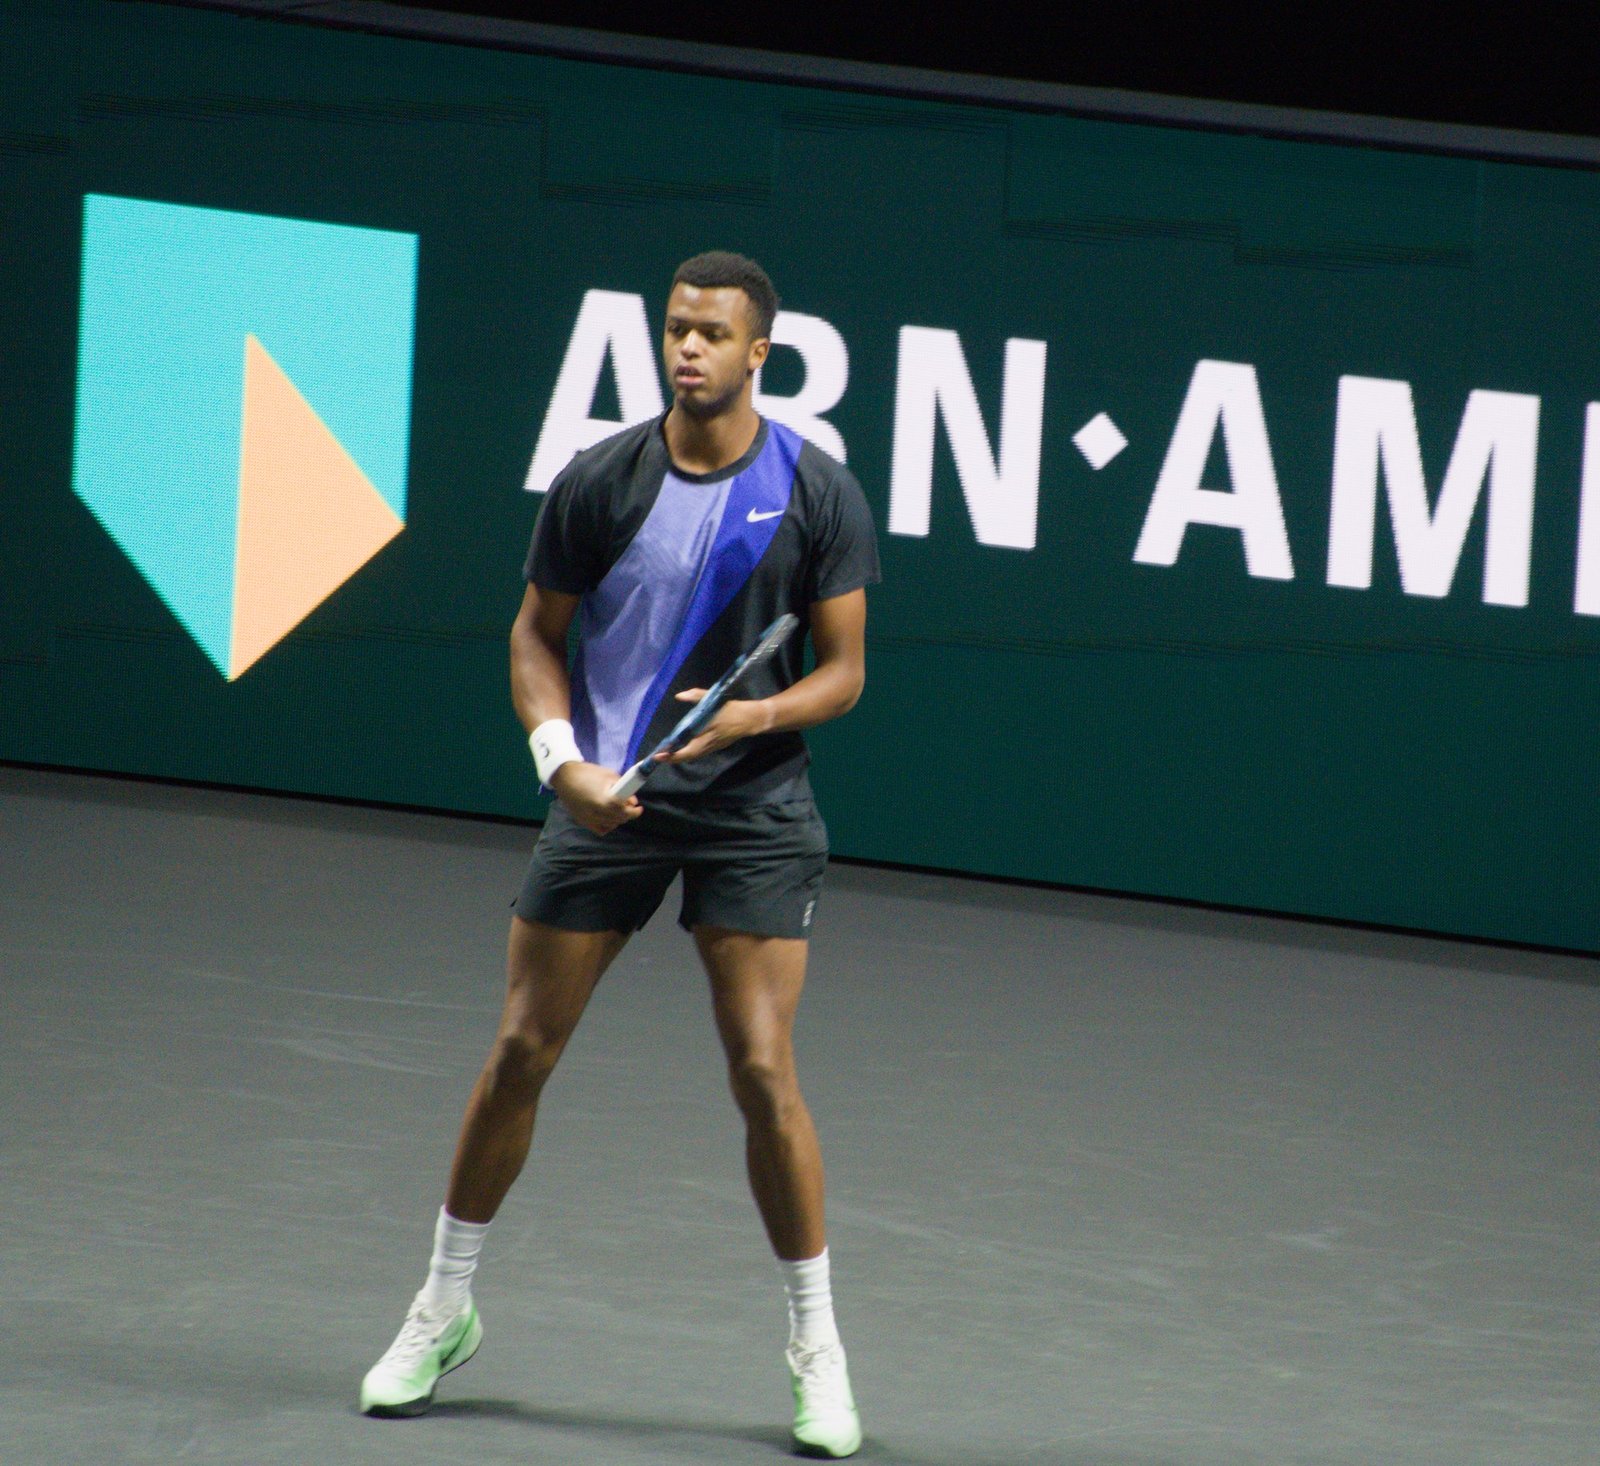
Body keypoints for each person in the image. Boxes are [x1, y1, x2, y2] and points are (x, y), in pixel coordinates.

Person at [360, 251, 879, 1459]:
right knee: (519, 1048)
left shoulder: (819, 491)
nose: (688, 347)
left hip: (751, 804)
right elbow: (534, 635)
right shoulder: (599, 479)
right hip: (610, 796)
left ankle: (817, 1344)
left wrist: (752, 715)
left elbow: (847, 673)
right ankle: (442, 1305)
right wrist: (562, 764)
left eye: (713, 333)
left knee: (763, 1068)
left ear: (759, 352)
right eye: (676, 328)